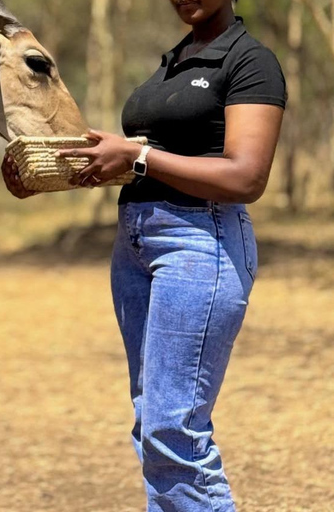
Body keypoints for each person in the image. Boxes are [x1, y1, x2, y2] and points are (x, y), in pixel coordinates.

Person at [57, 1, 286, 510]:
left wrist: (136, 156)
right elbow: (157, 161)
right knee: (153, 421)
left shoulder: (250, 60)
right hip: (136, 243)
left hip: (200, 241)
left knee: (172, 427)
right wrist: (89, 163)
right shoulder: (176, 59)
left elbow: (247, 177)